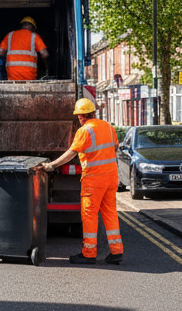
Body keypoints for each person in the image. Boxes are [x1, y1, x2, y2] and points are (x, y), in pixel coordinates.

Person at [36, 98, 123, 265]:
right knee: (110, 213)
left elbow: (71, 153)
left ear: (82, 116)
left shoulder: (85, 131)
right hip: (111, 177)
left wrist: (51, 165)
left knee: (89, 214)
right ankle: (117, 252)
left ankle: (89, 253)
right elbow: (115, 147)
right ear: (94, 113)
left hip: (94, 179)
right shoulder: (108, 127)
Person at [0, 16, 49, 81]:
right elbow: (45, 54)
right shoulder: (35, 36)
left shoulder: (10, 35)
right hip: (29, 76)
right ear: (32, 27)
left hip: (12, 75)